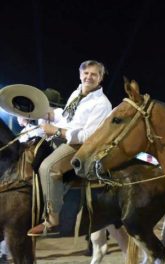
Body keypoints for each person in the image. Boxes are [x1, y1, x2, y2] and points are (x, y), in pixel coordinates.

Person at [27, 60, 112, 236]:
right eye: (86, 73)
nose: (89, 77)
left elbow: (89, 136)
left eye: (94, 74)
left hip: (82, 146)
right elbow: (68, 119)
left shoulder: (102, 104)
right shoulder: (76, 93)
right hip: (65, 138)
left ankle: (52, 220)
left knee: (48, 167)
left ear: (100, 78)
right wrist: (52, 116)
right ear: (80, 74)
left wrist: (57, 131)